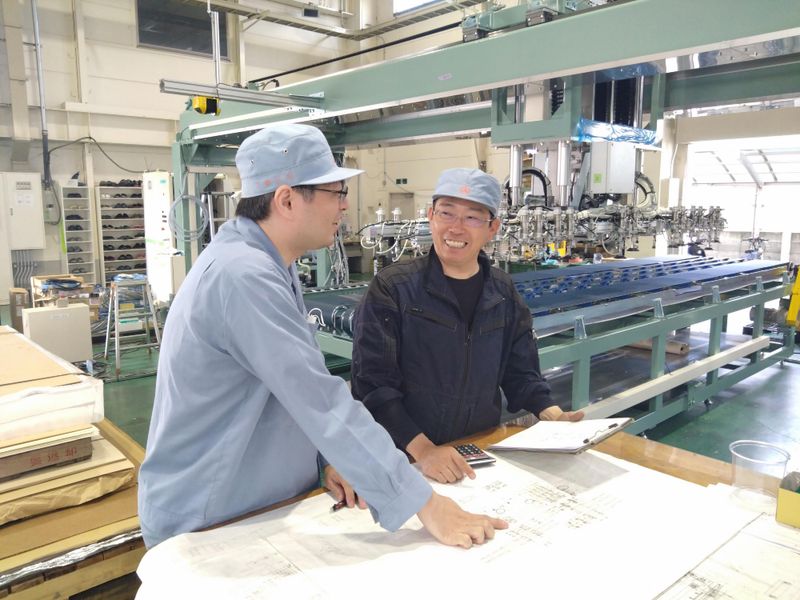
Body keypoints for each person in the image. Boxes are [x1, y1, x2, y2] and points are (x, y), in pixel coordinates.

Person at [137, 125, 506, 550]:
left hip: (249, 502)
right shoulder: (243, 276)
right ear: (287, 200)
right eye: (336, 193)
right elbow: (317, 398)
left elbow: (280, 393)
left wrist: (323, 461)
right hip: (208, 515)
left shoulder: (270, 263)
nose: (345, 206)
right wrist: (425, 503)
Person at [350, 168, 584, 485]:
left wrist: (553, 415)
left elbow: (520, 372)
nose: (456, 228)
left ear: (492, 228)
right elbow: (373, 386)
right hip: (405, 456)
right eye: (446, 213)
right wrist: (425, 451)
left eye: (472, 217)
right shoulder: (393, 287)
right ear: (431, 216)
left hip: (476, 449)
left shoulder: (503, 292)